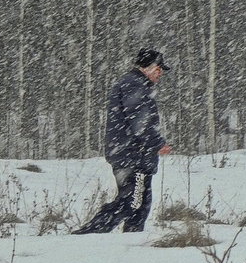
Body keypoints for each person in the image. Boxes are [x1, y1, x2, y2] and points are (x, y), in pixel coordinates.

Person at [73, 48, 172, 235]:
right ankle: (89, 234)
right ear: (147, 67)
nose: (161, 74)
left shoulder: (135, 85)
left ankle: (131, 240)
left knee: (138, 203)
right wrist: (157, 143)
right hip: (132, 156)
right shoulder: (135, 86)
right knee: (132, 203)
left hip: (130, 154)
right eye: (159, 69)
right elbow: (140, 122)